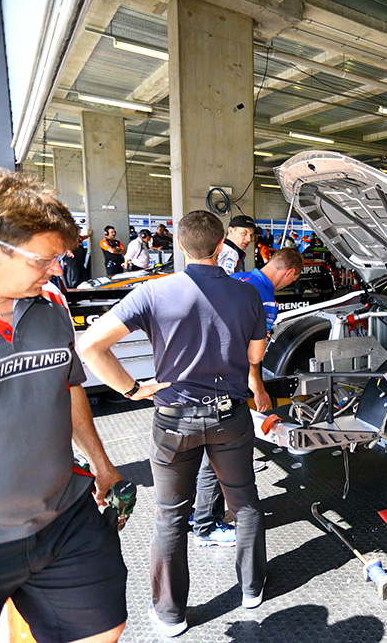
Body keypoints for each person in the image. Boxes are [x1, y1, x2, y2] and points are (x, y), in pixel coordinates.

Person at [79, 210, 269, 637]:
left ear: (180, 247)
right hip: (230, 416)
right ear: (221, 246)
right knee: (244, 502)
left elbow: (90, 345)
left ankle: (170, 616)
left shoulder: (153, 291)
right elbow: (256, 357)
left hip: (173, 421)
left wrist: (131, 389)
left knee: (169, 517)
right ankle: (252, 589)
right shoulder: (247, 294)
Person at [0, 168, 127, 643]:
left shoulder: (49, 309)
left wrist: (101, 462)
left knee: (103, 627)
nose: (57, 270)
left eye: (61, 258)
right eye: (44, 259)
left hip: (64, 518)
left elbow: (68, 386)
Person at [189, 248, 302, 545]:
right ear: (289, 273)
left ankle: (200, 511)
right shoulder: (263, 298)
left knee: (205, 452)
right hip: (227, 385)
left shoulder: (235, 278)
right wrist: (258, 388)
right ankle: (206, 524)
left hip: (199, 380)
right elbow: (253, 354)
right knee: (222, 454)